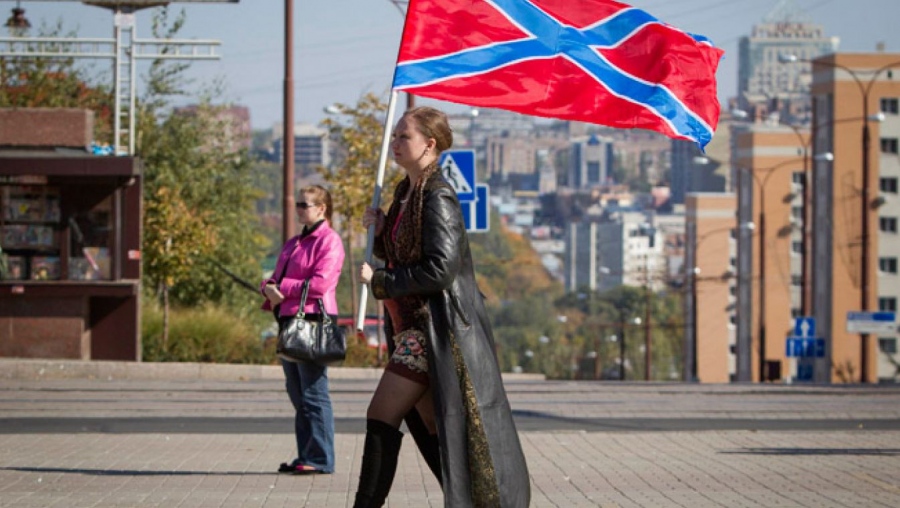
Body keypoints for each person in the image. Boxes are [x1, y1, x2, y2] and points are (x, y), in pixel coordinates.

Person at [355, 107, 530, 507]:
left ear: (429, 145)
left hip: (433, 330)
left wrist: (380, 281)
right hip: (413, 327)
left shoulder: (438, 195)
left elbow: (440, 269)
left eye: (404, 137)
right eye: (395, 136)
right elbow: (408, 254)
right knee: (439, 431)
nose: (395, 144)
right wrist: (382, 235)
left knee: (382, 413)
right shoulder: (406, 192)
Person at [260, 185, 345, 475]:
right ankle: (307, 454)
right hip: (288, 320)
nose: (299, 209)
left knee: (313, 391)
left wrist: (282, 289)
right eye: (297, 204)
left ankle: (321, 458)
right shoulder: (294, 243)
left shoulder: (329, 241)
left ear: (321, 209)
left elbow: (321, 284)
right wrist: (268, 288)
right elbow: (272, 278)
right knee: (297, 392)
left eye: (304, 205)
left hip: (313, 321)